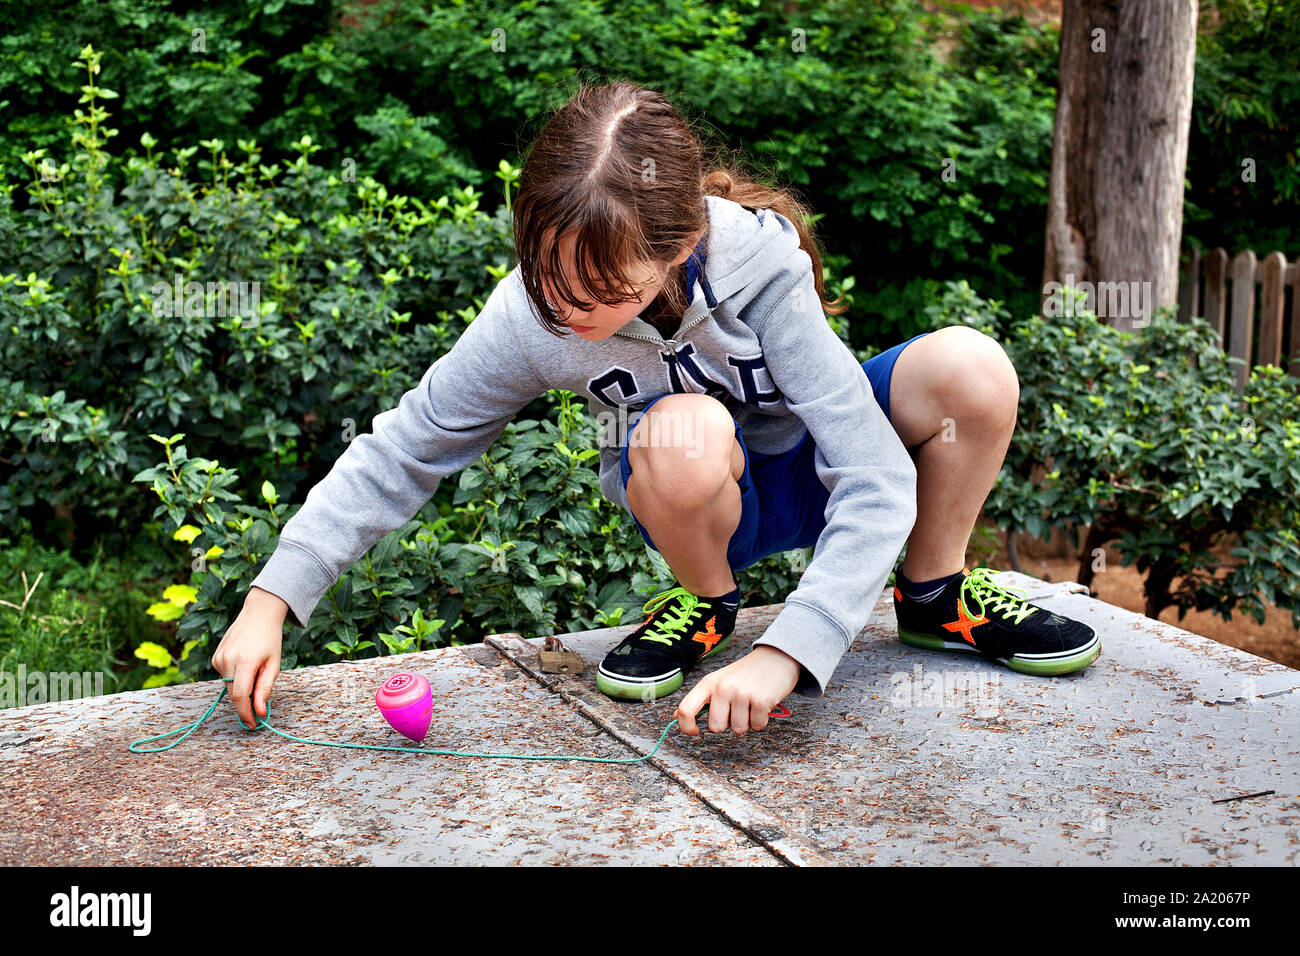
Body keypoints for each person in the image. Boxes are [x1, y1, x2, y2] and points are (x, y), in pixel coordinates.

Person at [212, 80, 1099, 739]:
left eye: (598, 290)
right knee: (684, 425)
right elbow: (404, 449)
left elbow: (868, 469)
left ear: (678, 248)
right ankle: (709, 603)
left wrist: (789, 651)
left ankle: (935, 592)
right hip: (700, 498)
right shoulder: (528, 316)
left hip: (817, 475)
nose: (564, 307)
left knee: (971, 370)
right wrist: (270, 599)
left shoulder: (761, 266)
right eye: (546, 276)